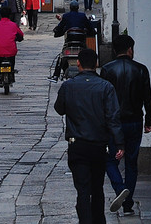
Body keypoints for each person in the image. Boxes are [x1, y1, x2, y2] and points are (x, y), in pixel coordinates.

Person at [54, 48, 125, 223]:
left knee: (83, 189)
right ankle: (99, 220)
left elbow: (59, 109)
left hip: (77, 144)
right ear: (96, 64)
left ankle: (85, 220)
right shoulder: (106, 87)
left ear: (78, 63)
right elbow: (113, 117)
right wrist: (120, 143)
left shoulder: (68, 86)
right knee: (97, 187)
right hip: (98, 145)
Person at [100, 34, 151, 216]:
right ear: (130, 49)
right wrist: (149, 121)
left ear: (115, 50)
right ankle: (127, 203)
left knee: (110, 160)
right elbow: (148, 97)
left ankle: (120, 190)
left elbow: (104, 100)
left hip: (114, 123)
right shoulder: (141, 69)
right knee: (131, 162)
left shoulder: (107, 70)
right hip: (135, 121)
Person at [0, 6, 24, 86]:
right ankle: (11, 72)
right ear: (10, 15)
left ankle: (1, 74)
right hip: (11, 51)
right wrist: (19, 39)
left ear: (1, 15)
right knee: (12, 61)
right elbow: (21, 35)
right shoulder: (13, 25)